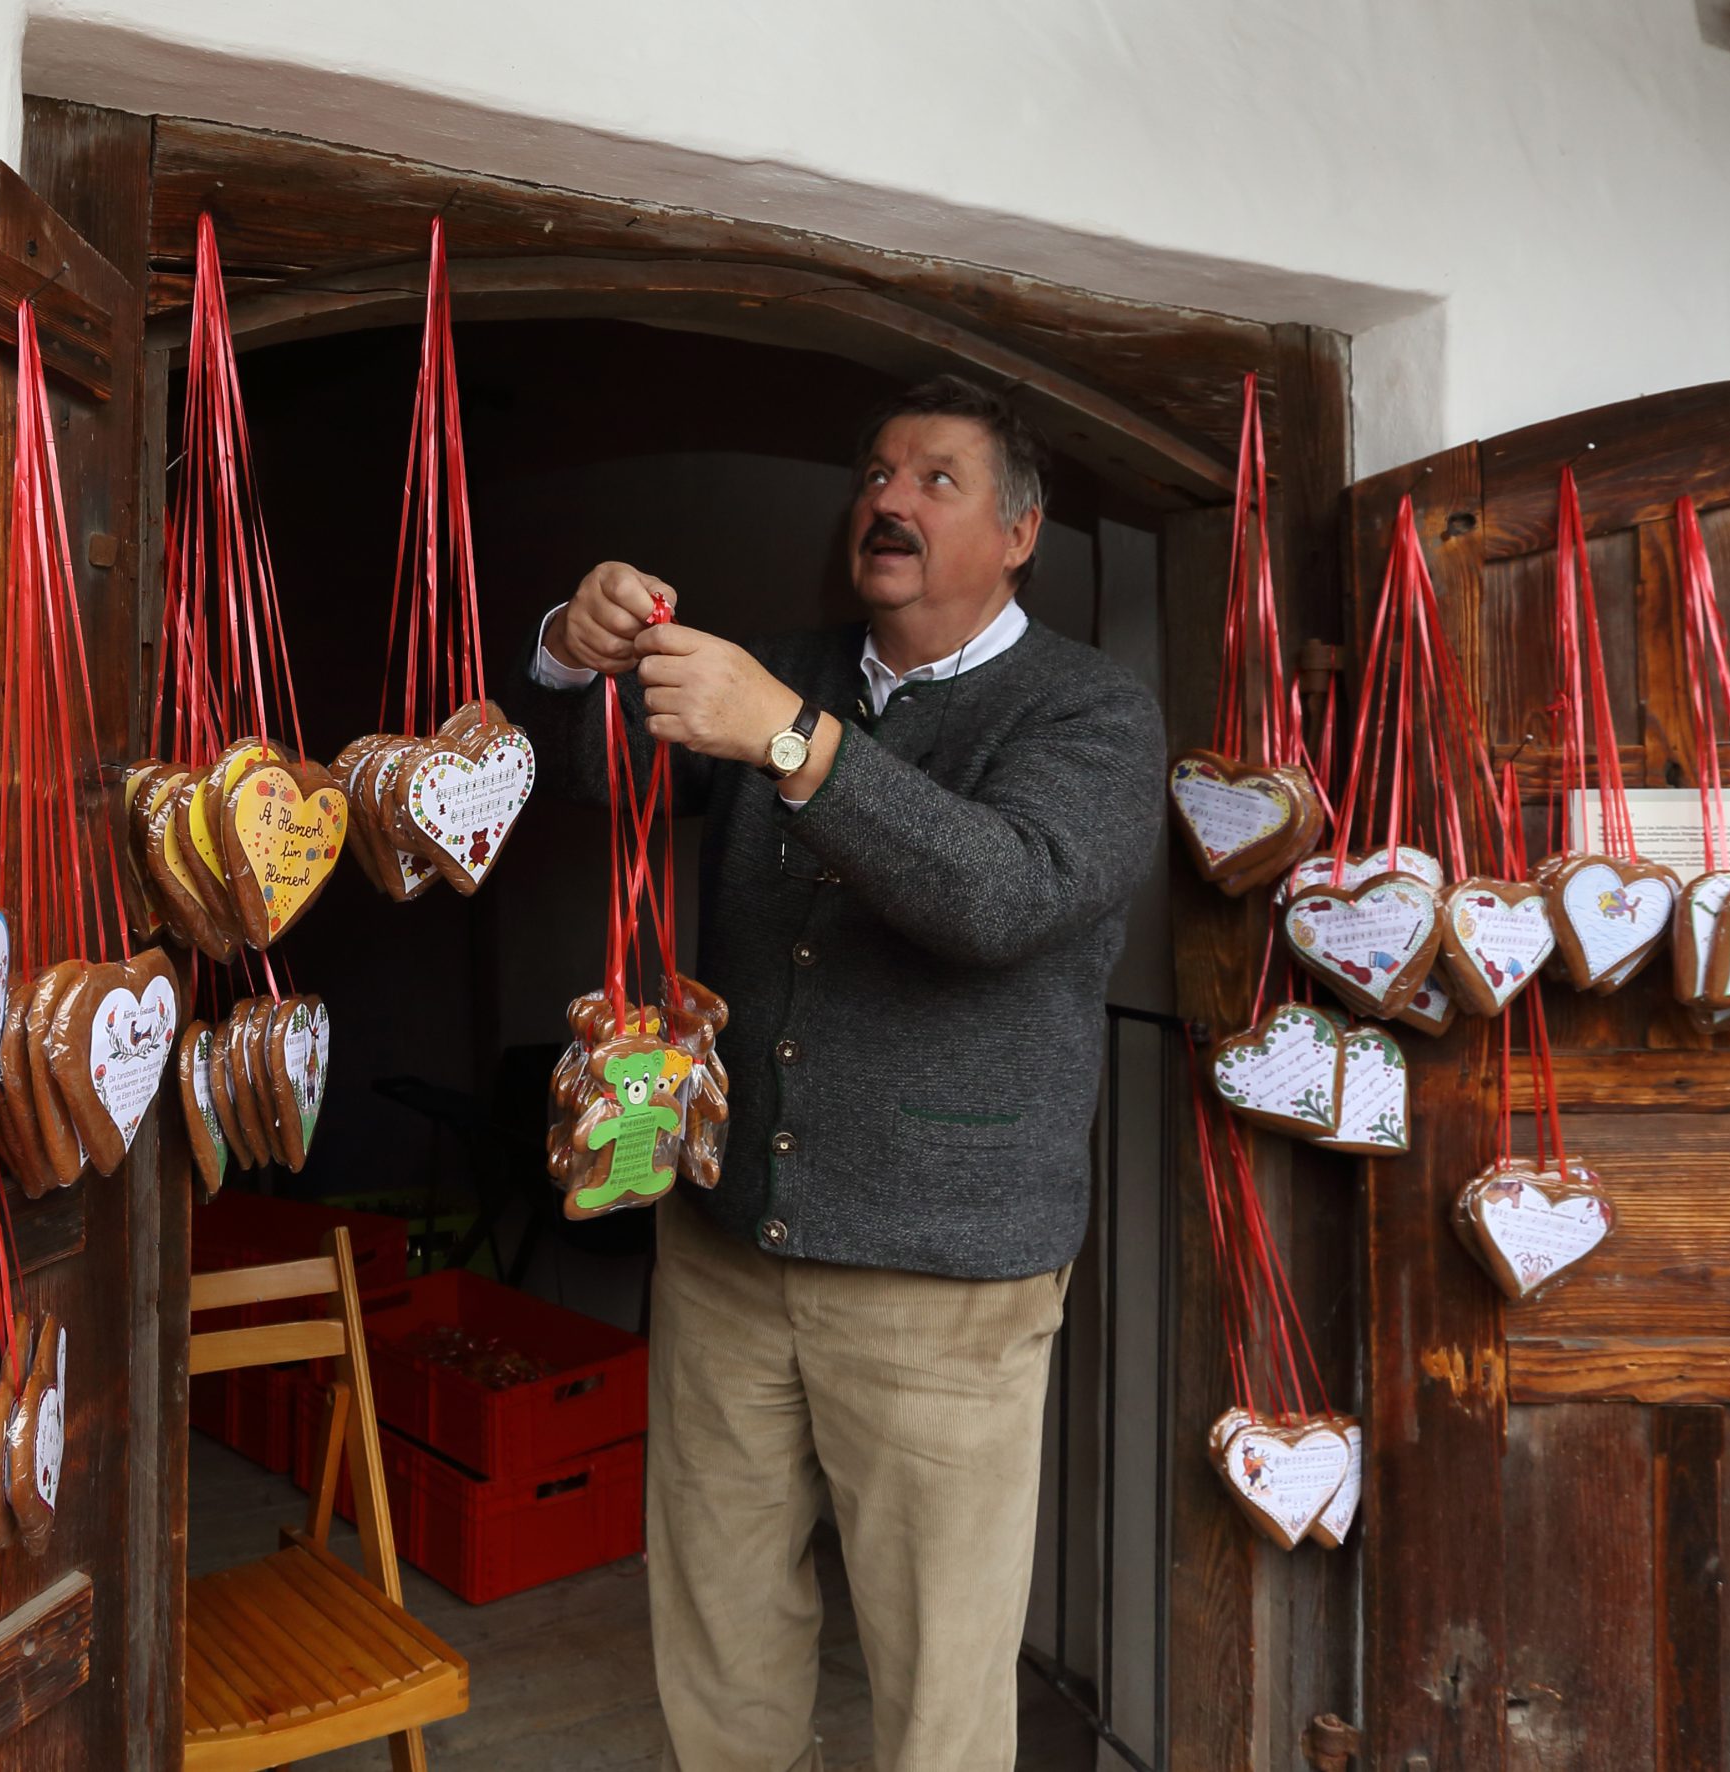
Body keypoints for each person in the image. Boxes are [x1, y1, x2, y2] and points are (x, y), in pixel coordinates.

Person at [520, 374, 1165, 1771]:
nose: (889, 499)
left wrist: (793, 744)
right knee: (721, 1629)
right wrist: (579, 653)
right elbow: (589, 771)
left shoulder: (1091, 713)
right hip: (729, 1250)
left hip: (943, 1289)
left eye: (939, 479)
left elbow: (1002, 895)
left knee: (936, 1686)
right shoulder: (792, 669)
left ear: (1020, 532)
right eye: (877, 474)